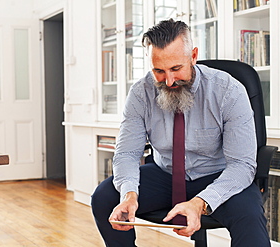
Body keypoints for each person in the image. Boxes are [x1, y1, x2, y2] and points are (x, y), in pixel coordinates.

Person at [91, 19, 270, 247]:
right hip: (164, 173)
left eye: (176, 68)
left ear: (193, 56)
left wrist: (200, 202)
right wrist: (129, 195)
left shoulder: (228, 90)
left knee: (250, 217)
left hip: (217, 175)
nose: (169, 80)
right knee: (104, 198)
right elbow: (126, 153)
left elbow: (242, 166)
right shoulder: (140, 93)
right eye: (159, 71)